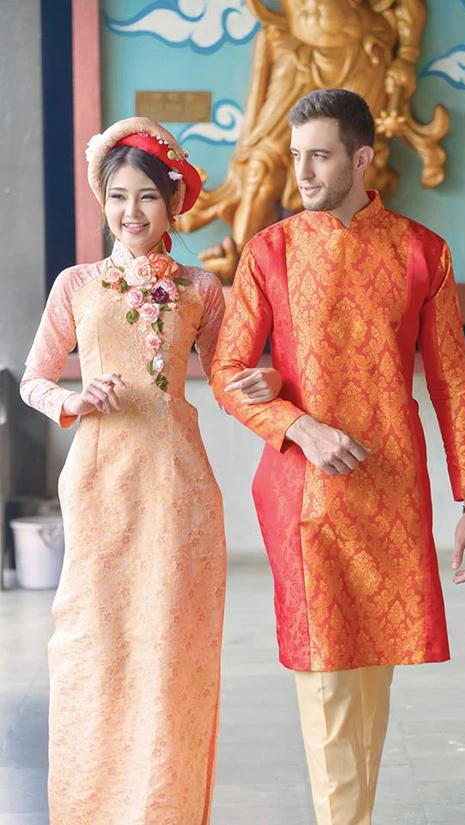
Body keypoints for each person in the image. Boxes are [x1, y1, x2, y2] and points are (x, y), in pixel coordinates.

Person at [210, 89, 465, 825]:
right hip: (305, 495)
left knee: (370, 681)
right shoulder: (269, 252)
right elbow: (226, 371)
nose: (301, 172)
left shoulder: (422, 252)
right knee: (327, 677)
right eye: (296, 156)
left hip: (392, 492)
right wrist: (300, 427)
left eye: (320, 156)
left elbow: (453, 383)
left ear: (362, 158)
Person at [20, 117, 282, 825]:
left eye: (146, 197)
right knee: (93, 644)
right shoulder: (76, 285)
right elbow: (33, 379)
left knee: (172, 647)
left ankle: (163, 808)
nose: (130, 211)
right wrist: (74, 399)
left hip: (177, 484)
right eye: (117, 197)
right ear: (102, 202)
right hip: (100, 482)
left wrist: (263, 384)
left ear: (171, 203)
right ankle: (90, 807)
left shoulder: (200, 288)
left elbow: (226, 378)